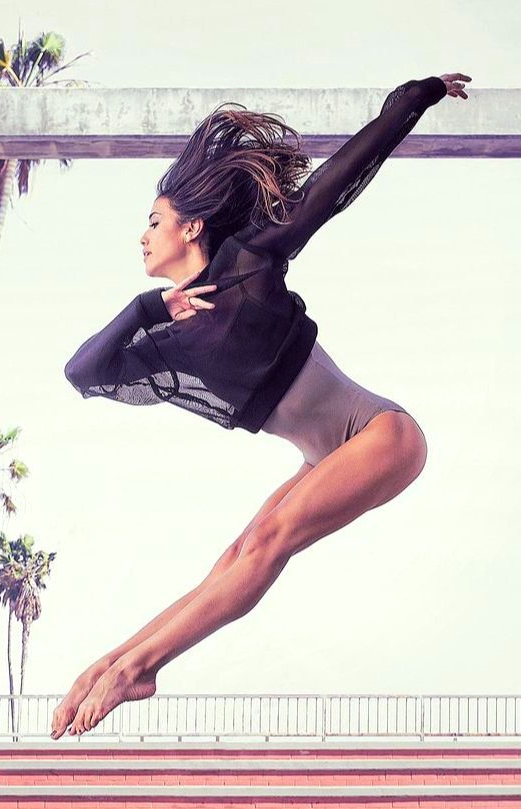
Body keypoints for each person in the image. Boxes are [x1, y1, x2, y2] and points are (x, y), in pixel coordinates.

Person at [51, 72, 472, 739]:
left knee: (265, 544)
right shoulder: (167, 338)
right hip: (323, 456)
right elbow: (83, 372)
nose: (142, 236)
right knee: (234, 555)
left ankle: (138, 667)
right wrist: (143, 308)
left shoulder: (248, 262)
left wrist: (410, 101)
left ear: (190, 227)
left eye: (153, 222)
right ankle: (117, 661)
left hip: (382, 435)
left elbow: (333, 186)